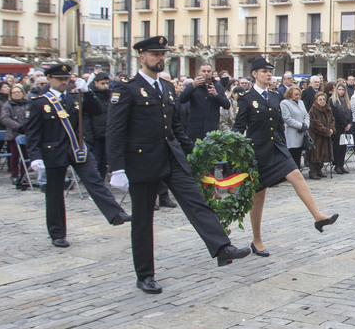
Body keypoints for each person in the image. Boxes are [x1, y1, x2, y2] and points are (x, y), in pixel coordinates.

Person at [106, 36, 250, 295]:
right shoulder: (126, 88)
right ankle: (145, 275)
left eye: (162, 54)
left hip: (171, 157)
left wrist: (193, 151)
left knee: (196, 200)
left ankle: (221, 247)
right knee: (143, 221)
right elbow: (115, 131)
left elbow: (174, 128)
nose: (160, 58)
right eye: (154, 54)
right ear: (142, 58)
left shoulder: (165, 87)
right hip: (142, 161)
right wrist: (116, 168)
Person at [236, 58, 337, 257]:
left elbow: (279, 124)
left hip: (277, 147)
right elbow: (239, 127)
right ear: (254, 74)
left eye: (269, 71)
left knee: (296, 175)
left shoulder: (275, 97)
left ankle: (317, 216)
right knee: (258, 196)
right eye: (264, 71)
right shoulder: (246, 98)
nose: (268, 74)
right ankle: (257, 240)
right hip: (258, 151)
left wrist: (284, 144)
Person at [25, 64, 130, 248]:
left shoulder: (76, 96)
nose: (63, 82)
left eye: (66, 79)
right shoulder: (39, 102)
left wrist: (87, 92)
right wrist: (35, 156)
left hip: (77, 148)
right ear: (49, 79)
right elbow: (32, 132)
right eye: (59, 79)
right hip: (53, 151)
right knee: (54, 193)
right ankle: (57, 233)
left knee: (95, 180)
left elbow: (97, 110)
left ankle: (115, 213)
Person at [0, 84, 30, 189]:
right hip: (13, 133)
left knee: (26, 155)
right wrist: (18, 127)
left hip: (26, 132)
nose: (17, 94)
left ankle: (24, 175)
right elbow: (5, 118)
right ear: (11, 94)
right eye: (14, 92)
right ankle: (14, 175)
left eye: (19, 92)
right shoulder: (7, 105)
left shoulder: (28, 104)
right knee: (15, 155)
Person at [280, 86, 311, 169]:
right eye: (295, 94)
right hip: (292, 132)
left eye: (299, 94)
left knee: (299, 153)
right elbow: (287, 118)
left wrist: (306, 125)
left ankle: (298, 170)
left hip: (302, 132)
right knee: (292, 153)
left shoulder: (301, 102)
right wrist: (300, 126)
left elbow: (306, 115)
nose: (297, 96)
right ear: (290, 94)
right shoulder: (284, 103)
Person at [306, 92, 334, 179]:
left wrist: (331, 128)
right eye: (320, 100)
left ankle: (319, 170)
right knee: (315, 154)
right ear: (316, 100)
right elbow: (315, 124)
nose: (322, 101)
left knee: (323, 154)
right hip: (316, 136)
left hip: (325, 135)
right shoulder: (313, 110)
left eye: (323, 99)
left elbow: (332, 119)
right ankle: (313, 171)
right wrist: (326, 130)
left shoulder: (328, 109)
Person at [329, 82, 352, 174]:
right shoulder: (332, 100)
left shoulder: (346, 100)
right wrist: (345, 123)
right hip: (337, 126)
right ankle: (337, 165)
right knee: (337, 147)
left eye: (343, 90)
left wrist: (349, 123)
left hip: (345, 126)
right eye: (339, 90)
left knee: (343, 146)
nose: (341, 92)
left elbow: (350, 112)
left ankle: (342, 164)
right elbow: (336, 114)